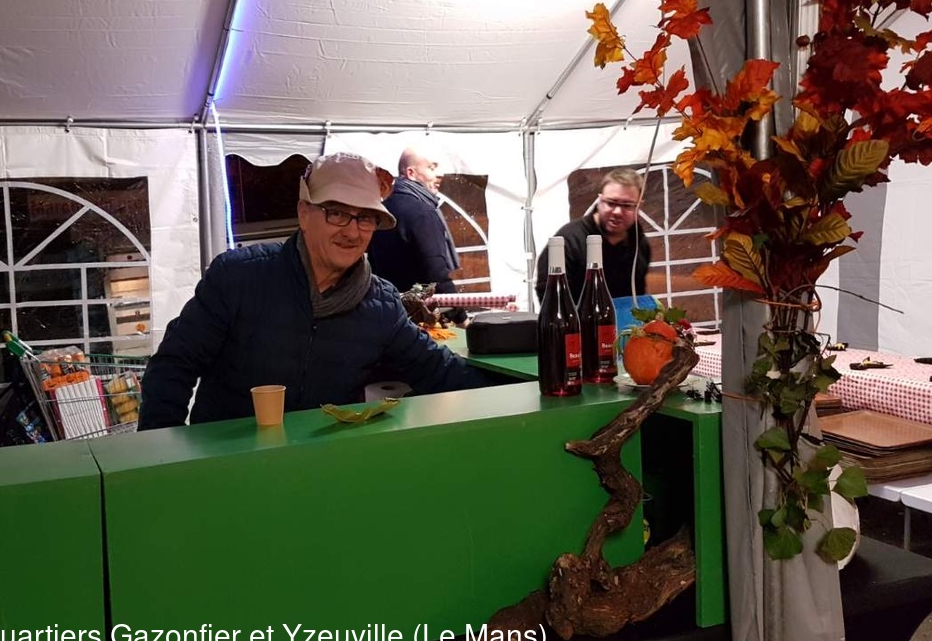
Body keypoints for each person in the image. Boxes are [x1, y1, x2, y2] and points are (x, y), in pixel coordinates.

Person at [138, 152, 491, 430]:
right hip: (228, 465)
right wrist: (162, 455)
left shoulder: (380, 305)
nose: (352, 231)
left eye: (365, 217)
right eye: (337, 213)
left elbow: (438, 371)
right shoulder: (239, 278)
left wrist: (514, 391)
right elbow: (173, 366)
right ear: (304, 213)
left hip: (320, 471)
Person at [367, 145, 468, 325]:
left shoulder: (382, 209)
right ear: (411, 173)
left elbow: (373, 266)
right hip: (418, 319)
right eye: (432, 167)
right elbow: (435, 273)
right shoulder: (422, 212)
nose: (440, 174)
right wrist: (461, 318)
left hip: (385, 312)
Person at [535, 167, 651, 301]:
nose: (617, 212)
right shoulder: (568, 241)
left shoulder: (640, 244)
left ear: (639, 206)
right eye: (611, 203)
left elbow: (637, 296)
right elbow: (549, 297)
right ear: (600, 200)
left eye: (627, 205)